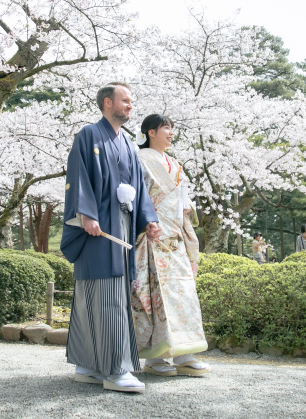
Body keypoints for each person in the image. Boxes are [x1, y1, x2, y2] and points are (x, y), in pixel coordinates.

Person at [60, 82, 161, 394]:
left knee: (107, 293)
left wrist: (149, 219)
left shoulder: (129, 144)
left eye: (131, 101)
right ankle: (115, 370)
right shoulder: (89, 135)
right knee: (103, 296)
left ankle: (88, 365)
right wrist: (85, 214)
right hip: (98, 226)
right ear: (108, 103)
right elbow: (78, 175)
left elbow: (140, 187)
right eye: (125, 100)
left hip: (123, 223)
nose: (130, 105)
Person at [131, 114, 211, 377]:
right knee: (157, 299)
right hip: (154, 236)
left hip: (175, 236)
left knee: (184, 296)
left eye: (172, 129)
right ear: (151, 132)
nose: (171, 133)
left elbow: (183, 202)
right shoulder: (140, 159)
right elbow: (136, 197)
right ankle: (156, 357)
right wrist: (146, 222)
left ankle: (185, 353)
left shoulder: (174, 163)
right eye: (167, 128)